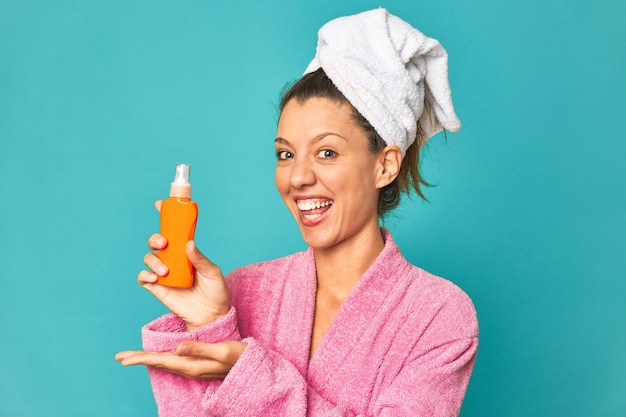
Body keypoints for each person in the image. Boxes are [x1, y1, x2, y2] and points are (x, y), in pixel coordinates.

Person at [116, 8, 478, 417]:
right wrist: (210, 325)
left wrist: (255, 378)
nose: (298, 177)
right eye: (285, 154)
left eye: (326, 152)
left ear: (385, 165)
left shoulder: (439, 316)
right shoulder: (245, 291)